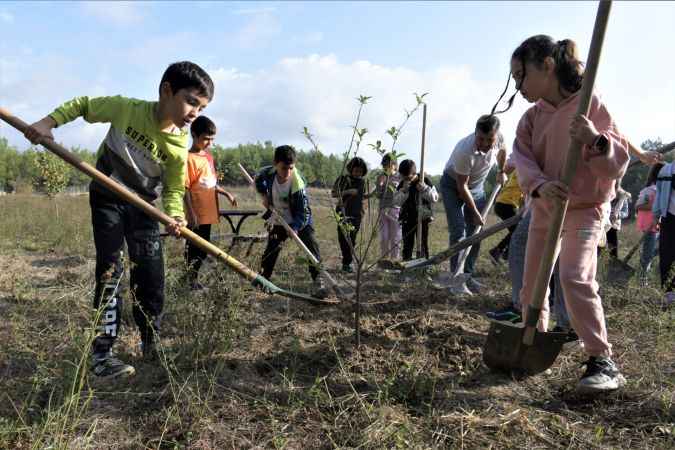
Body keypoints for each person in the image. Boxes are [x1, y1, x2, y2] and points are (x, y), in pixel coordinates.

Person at [24, 61, 214, 379]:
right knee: (111, 269)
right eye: (191, 101)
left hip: (144, 209)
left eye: (202, 106)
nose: (195, 111)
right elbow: (84, 105)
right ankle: (102, 354)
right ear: (166, 90)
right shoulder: (128, 109)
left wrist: (175, 215)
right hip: (108, 198)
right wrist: (48, 122)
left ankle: (150, 344)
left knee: (151, 275)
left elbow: (171, 188)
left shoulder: (180, 144)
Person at [509, 35, 629, 393]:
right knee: (532, 283)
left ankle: (601, 359)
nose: (519, 87)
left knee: (574, 276)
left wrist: (596, 139)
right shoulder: (530, 119)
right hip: (546, 208)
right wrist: (540, 185)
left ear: (546, 66)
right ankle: (533, 343)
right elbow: (522, 161)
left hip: (585, 208)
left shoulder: (590, 104)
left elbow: (617, 165)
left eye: (521, 76)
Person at [439, 114, 507, 292]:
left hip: (476, 187)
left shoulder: (498, 139)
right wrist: (476, 213)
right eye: (480, 138)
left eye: (489, 139)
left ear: (496, 135)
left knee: (476, 234)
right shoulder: (465, 150)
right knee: (458, 230)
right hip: (453, 185)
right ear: (475, 133)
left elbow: (502, 151)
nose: (484, 144)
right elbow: (462, 187)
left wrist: (501, 170)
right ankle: (456, 277)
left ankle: (467, 275)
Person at [255, 145, 327, 298]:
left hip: (300, 220)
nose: (287, 172)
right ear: (275, 164)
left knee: (311, 246)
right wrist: (264, 195)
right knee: (271, 249)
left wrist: (295, 227)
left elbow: (304, 211)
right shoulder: (267, 173)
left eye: (291, 168)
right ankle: (262, 279)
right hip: (278, 218)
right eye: (283, 168)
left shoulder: (297, 184)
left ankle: (319, 280)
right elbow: (258, 178)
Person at [183, 116, 238, 290]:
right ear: (194, 135)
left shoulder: (208, 158)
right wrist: (191, 213)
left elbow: (211, 183)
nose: (209, 143)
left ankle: (191, 279)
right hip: (196, 213)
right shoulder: (187, 158)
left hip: (209, 212)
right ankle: (190, 280)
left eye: (212, 139)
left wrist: (226, 193)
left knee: (203, 247)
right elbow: (185, 188)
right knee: (194, 247)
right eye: (205, 138)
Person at [331, 157, 371, 273]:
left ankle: (347, 263)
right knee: (343, 237)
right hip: (343, 213)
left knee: (352, 239)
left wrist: (372, 194)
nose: (358, 173)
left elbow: (361, 196)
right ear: (351, 169)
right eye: (356, 170)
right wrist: (348, 191)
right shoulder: (343, 179)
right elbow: (334, 194)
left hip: (356, 214)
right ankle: (346, 261)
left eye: (360, 171)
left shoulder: (362, 182)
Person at [394, 159, 439, 260]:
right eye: (403, 176)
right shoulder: (402, 184)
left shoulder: (425, 181)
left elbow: (434, 198)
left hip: (423, 218)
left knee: (423, 243)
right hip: (407, 219)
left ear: (413, 173)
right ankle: (406, 265)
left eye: (408, 176)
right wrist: (403, 191)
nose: (405, 179)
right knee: (407, 244)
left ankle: (423, 265)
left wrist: (425, 189)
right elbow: (396, 202)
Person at [488, 163, 524, 264]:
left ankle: (505, 251)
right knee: (519, 230)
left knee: (516, 229)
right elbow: (527, 192)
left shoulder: (520, 168)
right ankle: (499, 250)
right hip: (506, 204)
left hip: (503, 203)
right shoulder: (524, 170)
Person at [635, 163, 663, 284]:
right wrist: (657, 206)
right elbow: (638, 206)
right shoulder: (650, 190)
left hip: (658, 226)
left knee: (658, 250)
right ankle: (642, 281)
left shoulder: (661, 189)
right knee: (647, 255)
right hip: (649, 226)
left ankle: (645, 263)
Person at [653, 161, 675, 306]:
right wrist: (656, 215)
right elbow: (659, 194)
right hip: (669, 218)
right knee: (667, 256)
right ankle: (668, 295)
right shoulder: (666, 170)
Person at [375, 153, 402, 264]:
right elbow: (378, 195)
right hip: (383, 210)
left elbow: (403, 193)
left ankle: (394, 261)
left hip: (396, 210)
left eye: (390, 165)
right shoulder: (381, 176)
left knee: (395, 238)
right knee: (384, 237)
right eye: (385, 165)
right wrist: (380, 184)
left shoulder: (400, 177)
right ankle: (384, 261)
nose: (387, 167)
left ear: (395, 165)